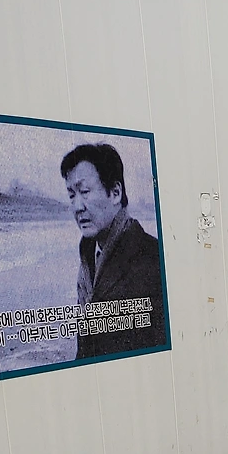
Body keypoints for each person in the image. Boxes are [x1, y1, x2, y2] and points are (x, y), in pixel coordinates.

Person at [61, 143, 166, 359]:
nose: (77, 206)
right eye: (71, 195)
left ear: (115, 193)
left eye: (85, 192)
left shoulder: (154, 259)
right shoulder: (88, 258)